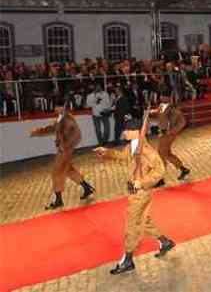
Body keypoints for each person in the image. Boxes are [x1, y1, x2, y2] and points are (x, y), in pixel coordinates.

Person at [94, 114, 176, 274]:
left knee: (131, 225)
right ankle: (165, 242)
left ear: (136, 132)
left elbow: (160, 170)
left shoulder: (145, 150)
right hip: (135, 192)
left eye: (127, 130)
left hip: (141, 193)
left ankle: (128, 260)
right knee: (144, 220)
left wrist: (142, 182)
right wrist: (106, 153)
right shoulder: (132, 145)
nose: (123, 133)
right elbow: (122, 157)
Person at [30, 100, 96, 209]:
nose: (55, 109)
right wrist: (38, 131)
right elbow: (53, 128)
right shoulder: (61, 117)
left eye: (57, 107)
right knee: (69, 170)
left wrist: (65, 146)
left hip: (64, 150)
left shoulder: (67, 119)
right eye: (55, 107)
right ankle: (87, 188)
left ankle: (59, 200)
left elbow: (77, 136)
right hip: (64, 149)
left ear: (63, 107)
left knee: (57, 173)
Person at [151, 87, 190, 180]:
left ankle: (160, 178)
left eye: (163, 96)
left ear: (167, 98)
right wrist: (151, 112)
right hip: (162, 134)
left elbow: (182, 122)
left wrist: (172, 131)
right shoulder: (161, 106)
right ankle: (183, 169)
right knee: (166, 154)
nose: (161, 97)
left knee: (161, 154)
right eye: (161, 95)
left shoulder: (173, 109)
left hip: (168, 135)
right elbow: (158, 112)